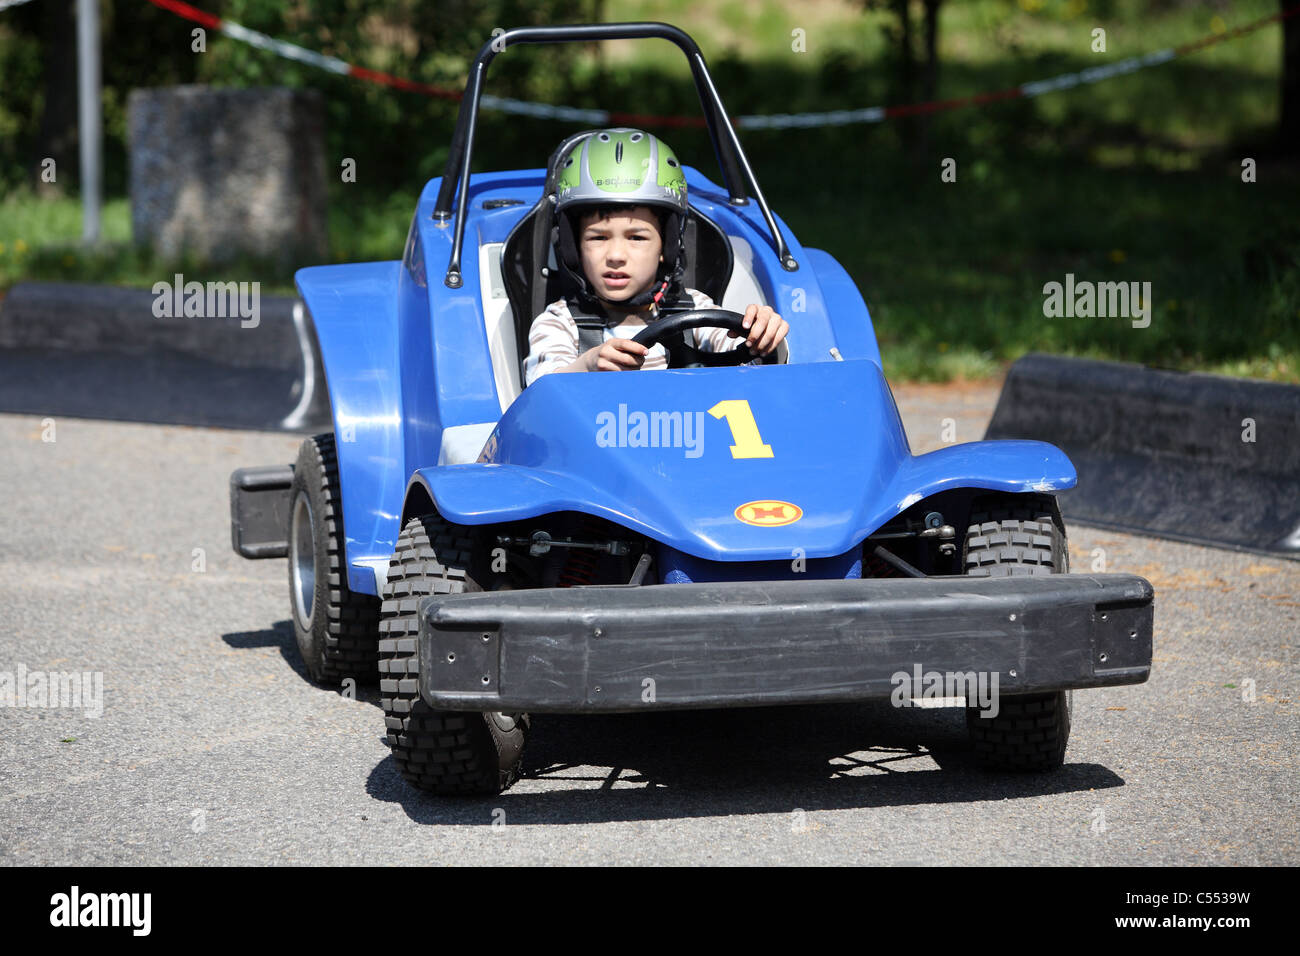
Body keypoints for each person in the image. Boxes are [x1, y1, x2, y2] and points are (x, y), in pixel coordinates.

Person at [522, 128, 788, 385]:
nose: (615, 255)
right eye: (598, 238)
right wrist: (588, 365)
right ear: (574, 246)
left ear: (667, 247)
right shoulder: (559, 321)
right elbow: (540, 390)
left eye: (636, 238)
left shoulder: (695, 308)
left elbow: (750, 367)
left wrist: (763, 338)